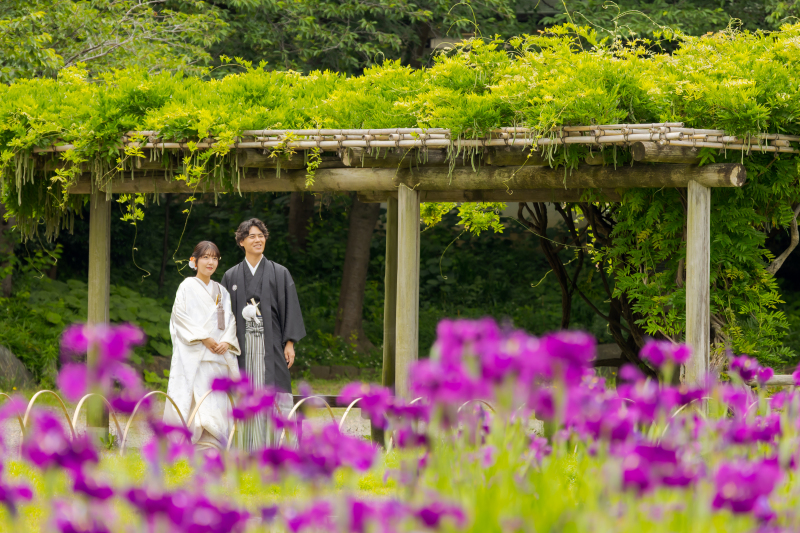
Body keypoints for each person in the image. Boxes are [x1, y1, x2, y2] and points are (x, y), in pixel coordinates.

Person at [221, 218, 306, 449]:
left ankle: (279, 445)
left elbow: (291, 308)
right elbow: (224, 316)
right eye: (252, 236)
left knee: (276, 389)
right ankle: (245, 445)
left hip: (273, 344)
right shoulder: (231, 276)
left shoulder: (280, 273)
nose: (258, 240)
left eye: (261, 236)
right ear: (241, 242)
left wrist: (289, 343)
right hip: (242, 346)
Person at [164, 241, 241, 451]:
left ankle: (214, 442)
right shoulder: (186, 286)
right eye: (205, 257)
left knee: (215, 398)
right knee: (194, 397)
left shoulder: (221, 291)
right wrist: (203, 338)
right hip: (196, 352)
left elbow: (230, 320)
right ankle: (192, 442)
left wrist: (226, 341)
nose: (210, 262)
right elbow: (179, 317)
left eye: (214, 258)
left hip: (217, 355)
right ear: (194, 261)